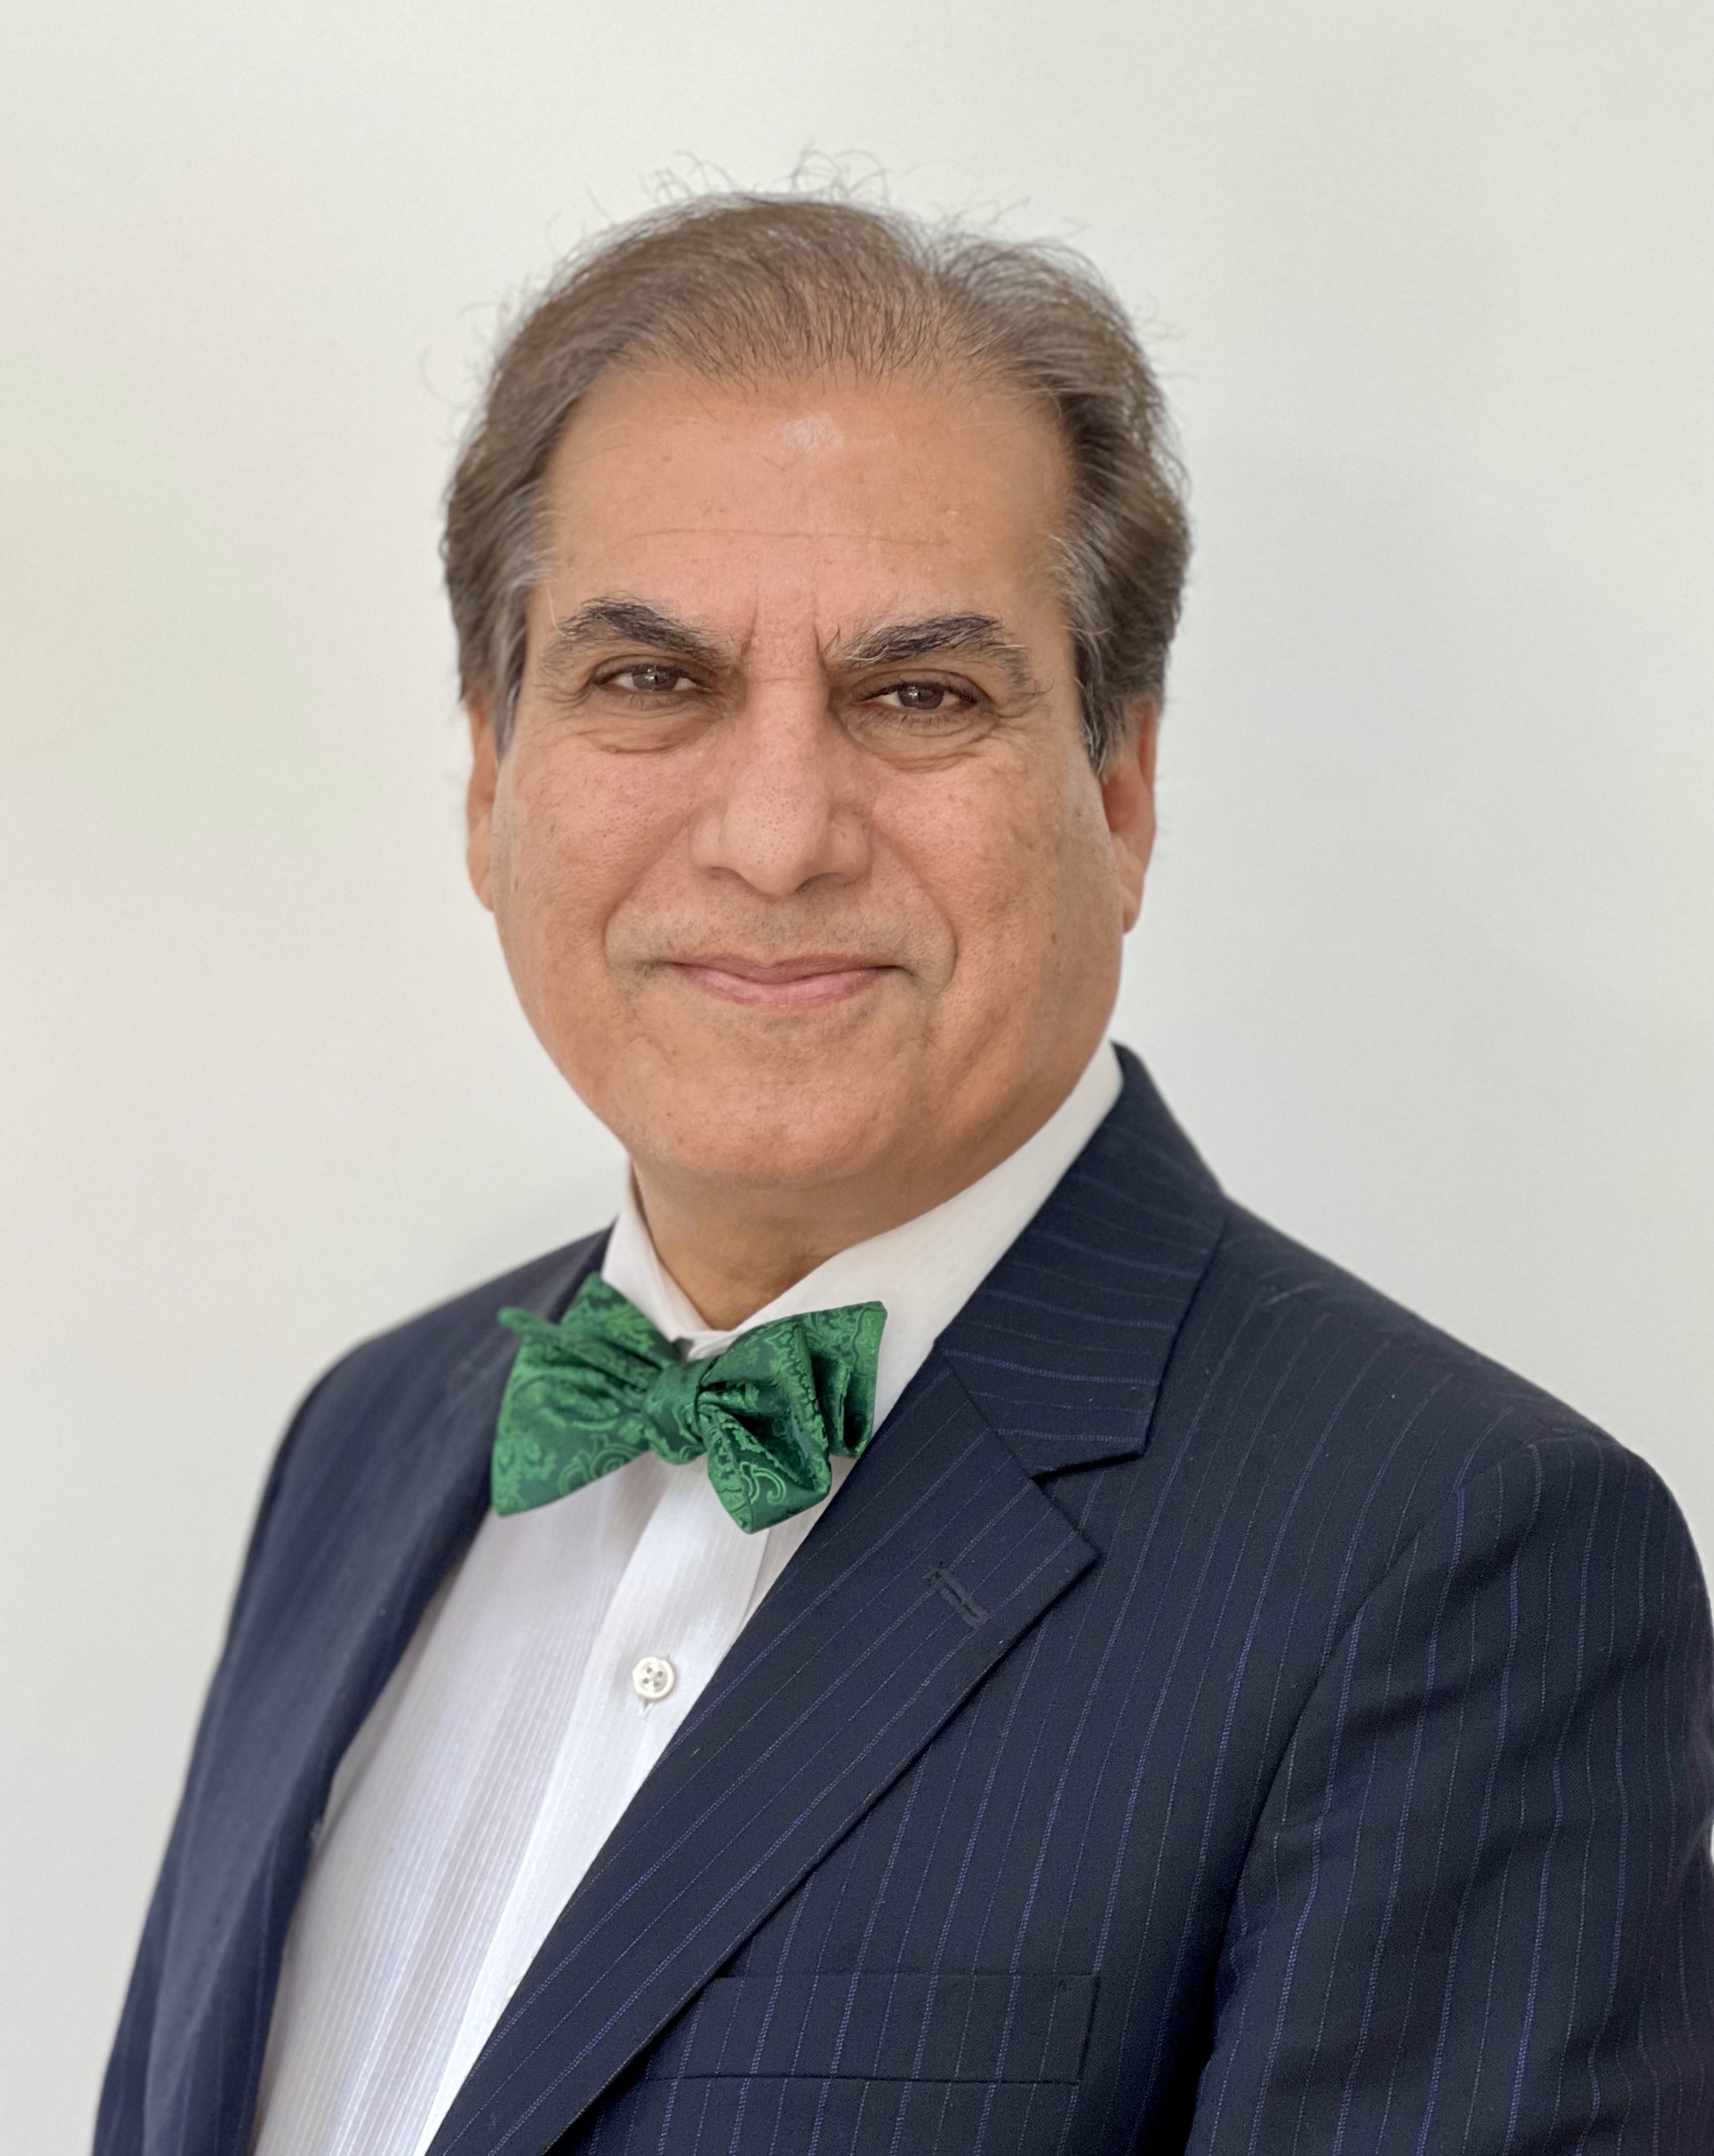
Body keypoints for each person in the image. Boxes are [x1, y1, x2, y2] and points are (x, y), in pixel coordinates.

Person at [97, 193, 1714, 2156]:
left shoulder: (1459, 1559)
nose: (778, 834)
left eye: (919, 695)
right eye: (651, 682)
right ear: (490, 776)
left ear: (1119, 791)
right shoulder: (364, 1439)